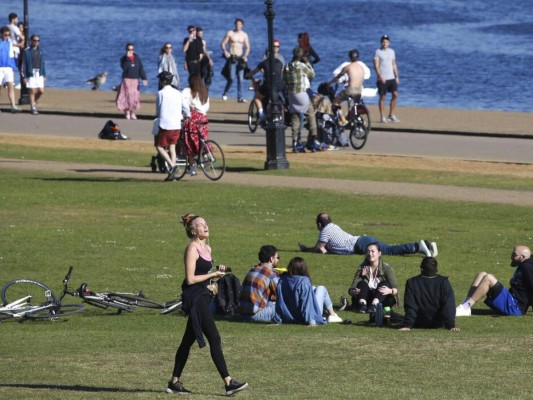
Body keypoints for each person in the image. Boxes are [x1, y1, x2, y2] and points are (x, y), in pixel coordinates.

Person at [167, 213, 248, 396]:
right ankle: (229, 383)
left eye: (206, 223)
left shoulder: (208, 248)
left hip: (204, 296)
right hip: (194, 299)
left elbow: (203, 275)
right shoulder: (192, 248)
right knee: (215, 338)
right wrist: (211, 276)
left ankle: (174, 382)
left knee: (187, 341)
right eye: (200, 224)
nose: (205, 226)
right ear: (193, 230)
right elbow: (190, 279)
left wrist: (214, 280)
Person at [298, 212, 438, 257]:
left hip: (361, 244)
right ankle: (428, 244)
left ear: (319, 225)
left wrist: (305, 249)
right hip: (362, 241)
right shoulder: (333, 227)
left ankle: (417, 246)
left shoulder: (325, 230)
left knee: (388, 250)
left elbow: (318, 247)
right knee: (388, 248)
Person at [456, 245, 533, 317]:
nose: (511, 257)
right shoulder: (524, 265)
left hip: (515, 308)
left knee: (488, 278)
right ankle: (465, 306)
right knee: (481, 274)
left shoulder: (527, 267)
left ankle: (466, 307)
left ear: (522, 257)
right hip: (511, 300)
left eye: (514, 255)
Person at [273, 256, 343, 325]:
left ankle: (328, 313)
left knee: (313, 288)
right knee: (321, 288)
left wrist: (277, 318)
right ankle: (332, 314)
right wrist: (311, 321)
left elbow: (280, 300)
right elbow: (306, 302)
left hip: (288, 315)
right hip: (305, 316)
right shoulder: (304, 281)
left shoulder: (282, 279)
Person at [399, 257, 459, 331]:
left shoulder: (412, 282)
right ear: (436, 268)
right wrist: (451, 325)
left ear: (421, 268)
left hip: (418, 322)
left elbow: (411, 306)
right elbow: (448, 305)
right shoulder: (443, 282)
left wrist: (407, 325)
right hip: (438, 323)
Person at [155, 71, 189, 181]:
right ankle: (171, 173)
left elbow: (158, 110)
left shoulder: (161, 93)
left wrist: (159, 119)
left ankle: (173, 166)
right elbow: (185, 107)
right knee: (172, 147)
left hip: (166, 124)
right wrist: (187, 116)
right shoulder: (178, 93)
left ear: (164, 81)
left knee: (159, 147)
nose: (159, 82)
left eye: (160, 79)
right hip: (176, 124)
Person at [284, 47, 318, 152]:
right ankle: (312, 138)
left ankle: (295, 141)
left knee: (295, 117)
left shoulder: (287, 66)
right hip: (301, 93)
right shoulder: (301, 65)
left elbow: (284, 79)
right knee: (311, 114)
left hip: (291, 94)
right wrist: (308, 63)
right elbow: (313, 74)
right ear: (301, 56)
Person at [348, 242, 399, 313]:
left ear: (379, 253)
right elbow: (351, 289)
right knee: (362, 283)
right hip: (366, 296)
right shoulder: (362, 268)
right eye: (368, 251)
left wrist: (390, 291)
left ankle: (374, 305)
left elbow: (395, 289)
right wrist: (354, 291)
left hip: (380, 297)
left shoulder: (386, 268)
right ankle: (363, 305)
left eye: (372, 251)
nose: (370, 253)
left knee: (384, 283)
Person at [238, 245, 280, 322]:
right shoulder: (271, 273)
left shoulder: (253, 269)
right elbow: (281, 294)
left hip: (241, 314)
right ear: (271, 258)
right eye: (277, 257)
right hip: (255, 315)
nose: (278, 260)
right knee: (282, 307)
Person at [245, 39, 284, 122]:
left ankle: (261, 113)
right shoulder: (280, 62)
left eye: (277, 46)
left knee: (257, 97)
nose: (276, 48)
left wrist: (247, 75)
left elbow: (254, 72)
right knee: (276, 97)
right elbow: (281, 73)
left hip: (268, 85)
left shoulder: (264, 63)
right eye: (275, 46)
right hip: (279, 85)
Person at [181, 74, 210, 176]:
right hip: (204, 117)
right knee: (202, 138)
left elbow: (183, 103)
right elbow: (206, 107)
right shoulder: (204, 92)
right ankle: (206, 153)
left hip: (194, 117)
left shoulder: (188, 91)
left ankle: (192, 167)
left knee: (188, 140)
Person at [328, 49, 365, 126]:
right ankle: (355, 118)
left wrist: (330, 83)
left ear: (349, 57)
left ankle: (343, 120)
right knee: (354, 105)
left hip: (350, 90)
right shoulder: (362, 67)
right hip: (359, 91)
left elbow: (338, 76)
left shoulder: (348, 67)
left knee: (335, 103)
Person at [220, 18, 250, 103]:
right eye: (237, 24)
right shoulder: (230, 33)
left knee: (240, 79)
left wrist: (245, 55)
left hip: (240, 58)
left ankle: (240, 97)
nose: (238, 25)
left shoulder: (244, 35)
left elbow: (248, 47)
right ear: (234, 24)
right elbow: (223, 43)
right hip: (232, 58)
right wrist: (225, 51)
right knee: (231, 78)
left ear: (242, 25)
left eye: (239, 24)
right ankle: (225, 92)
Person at [116, 43, 147, 120]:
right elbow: (124, 68)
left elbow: (141, 68)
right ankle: (127, 112)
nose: (130, 51)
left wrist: (144, 78)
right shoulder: (123, 59)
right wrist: (127, 58)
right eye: (129, 49)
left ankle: (132, 111)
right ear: (126, 50)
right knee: (127, 95)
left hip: (135, 79)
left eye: (132, 49)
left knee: (134, 96)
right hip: (127, 79)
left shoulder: (137, 58)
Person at [374, 34, 399, 123]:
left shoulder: (392, 52)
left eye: (386, 42)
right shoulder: (378, 52)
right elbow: (376, 66)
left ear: (389, 43)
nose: (385, 43)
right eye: (383, 42)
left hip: (391, 77)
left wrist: (396, 76)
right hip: (382, 78)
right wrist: (380, 76)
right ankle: (382, 116)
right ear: (381, 43)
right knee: (383, 97)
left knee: (395, 94)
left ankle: (391, 115)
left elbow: (394, 64)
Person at [22, 34, 46, 115]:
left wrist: (44, 75)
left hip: (39, 73)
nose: (36, 42)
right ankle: (33, 107)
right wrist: (24, 77)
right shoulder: (27, 51)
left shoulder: (41, 51)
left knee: (41, 91)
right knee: (32, 90)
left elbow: (43, 63)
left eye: (38, 41)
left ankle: (32, 101)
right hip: (30, 72)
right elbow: (24, 64)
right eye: (34, 40)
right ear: (31, 41)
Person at [0, 26, 19, 113]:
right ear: (1, 34)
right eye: (5, 35)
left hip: (8, 68)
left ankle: (13, 106)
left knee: (11, 86)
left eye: (8, 35)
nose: (7, 36)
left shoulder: (9, 43)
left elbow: (11, 57)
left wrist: (13, 68)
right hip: (0, 67)